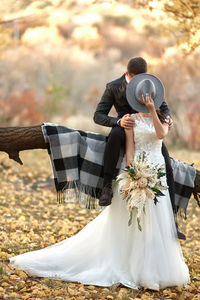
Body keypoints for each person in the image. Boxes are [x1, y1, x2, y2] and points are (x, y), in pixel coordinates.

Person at [9, 74, 190, 290]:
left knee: (157, 217)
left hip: (157, 169)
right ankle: (133, 265)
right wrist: (131, 174)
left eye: (150, 98)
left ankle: (156, 267)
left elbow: (160, 136)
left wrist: (152, 111)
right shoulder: (131, 119)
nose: (147, 100)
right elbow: (130, 150)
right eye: (144, 99)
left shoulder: (164, 119)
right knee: (134, 219)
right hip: (138, 168)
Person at [93, 57, 186, 240]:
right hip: (126, 126)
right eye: (135, 78)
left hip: (147, 131)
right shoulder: (113, 87)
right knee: (114, 136)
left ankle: (172, 220)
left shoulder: (150, 84)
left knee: (167, 165)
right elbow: (98, 115)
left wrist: (168, 118)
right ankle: (106, 187)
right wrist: (118, 121)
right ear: (128, 74)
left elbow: (164, 109)